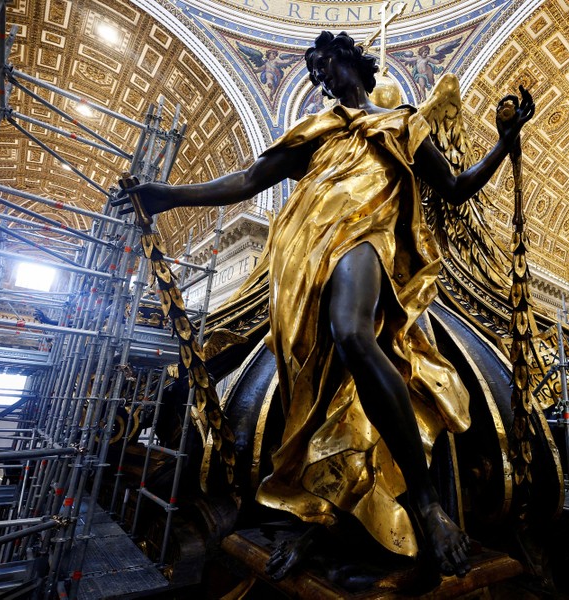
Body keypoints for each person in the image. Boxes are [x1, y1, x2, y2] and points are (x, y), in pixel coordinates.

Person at [118, 31, 533, 579]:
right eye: (315, 72)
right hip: (302, 252)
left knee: (354, 335)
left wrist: (505, 142)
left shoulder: (404, 124)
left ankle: (428, 503)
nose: (323, 79)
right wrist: (170, 195)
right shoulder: (315, 131)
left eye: (328, 65)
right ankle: (326, 510)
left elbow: (454, 188)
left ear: (355, 63)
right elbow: (248, 179)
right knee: (315, 385)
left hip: (368, 235)